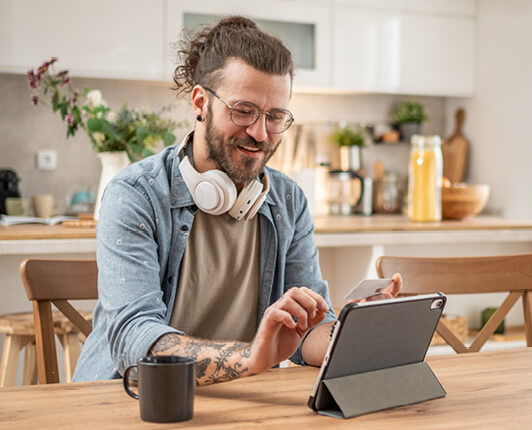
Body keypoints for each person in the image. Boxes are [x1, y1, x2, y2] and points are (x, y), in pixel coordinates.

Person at [73, 16, 400, 384]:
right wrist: (249, 357)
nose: (260, 133)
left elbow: (307, 330)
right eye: (243, 111)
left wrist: (351, 334)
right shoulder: (135, 194)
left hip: (244, 406)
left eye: (275, 116)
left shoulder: (288, 200)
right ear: (200, 102)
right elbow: (135, 340)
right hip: (132, 402)